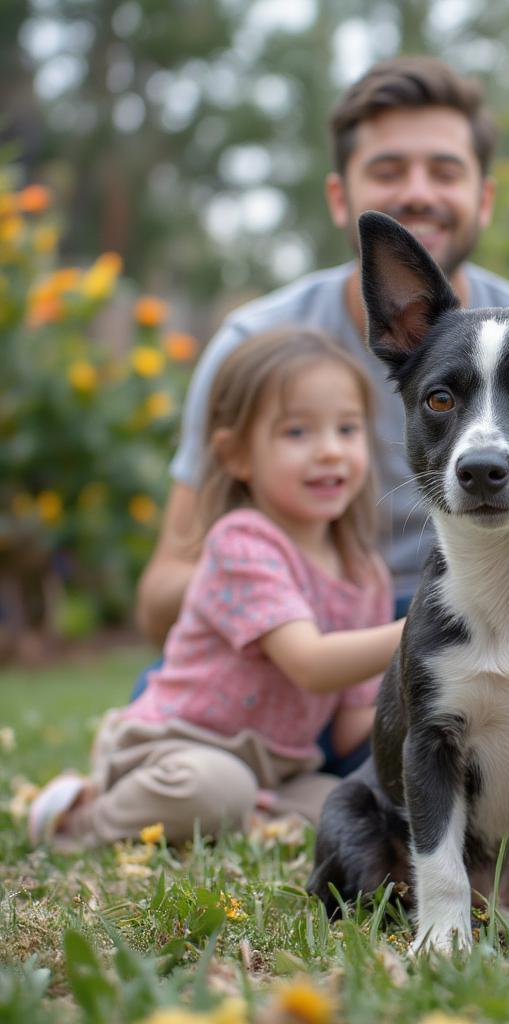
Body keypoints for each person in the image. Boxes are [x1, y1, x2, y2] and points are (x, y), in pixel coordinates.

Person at [132, 57, 509, 773]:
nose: (417, 191)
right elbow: (164, 588)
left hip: (475, 629)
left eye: (444, 170)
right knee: (187, 726)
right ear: (339, 196)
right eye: (388, 170)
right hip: (290, 639)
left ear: (486, 195)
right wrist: (281, 601)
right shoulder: (254, 345)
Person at [29, 328, 403, 848]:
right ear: (236, 456)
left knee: (355, 810)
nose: (330, 451)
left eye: (347, 429)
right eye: (297, 433)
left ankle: (248, 821)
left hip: (277, 773)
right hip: (174, 748)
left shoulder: (366, 574)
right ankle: (82, 817)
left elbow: (347, 728)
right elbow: (310, 663)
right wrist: (422, 630)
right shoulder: (242, 543)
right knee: (214, 788)